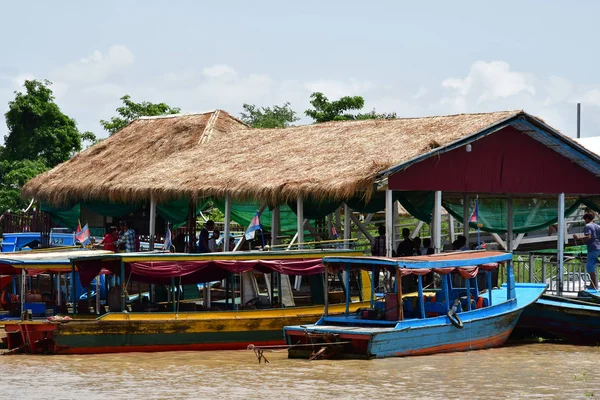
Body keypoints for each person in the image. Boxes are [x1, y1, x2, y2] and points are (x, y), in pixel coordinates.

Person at [574, 212, 600, 289]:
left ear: (587, 219)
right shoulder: (598, 226)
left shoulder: (587, 226)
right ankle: (594, 284)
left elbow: (588, 236)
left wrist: (578, 238)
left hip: (592, 247)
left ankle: (594, 285)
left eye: (585, 219)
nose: (585, 221)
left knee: (589, 267)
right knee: (593, 265)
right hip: (598, 247)